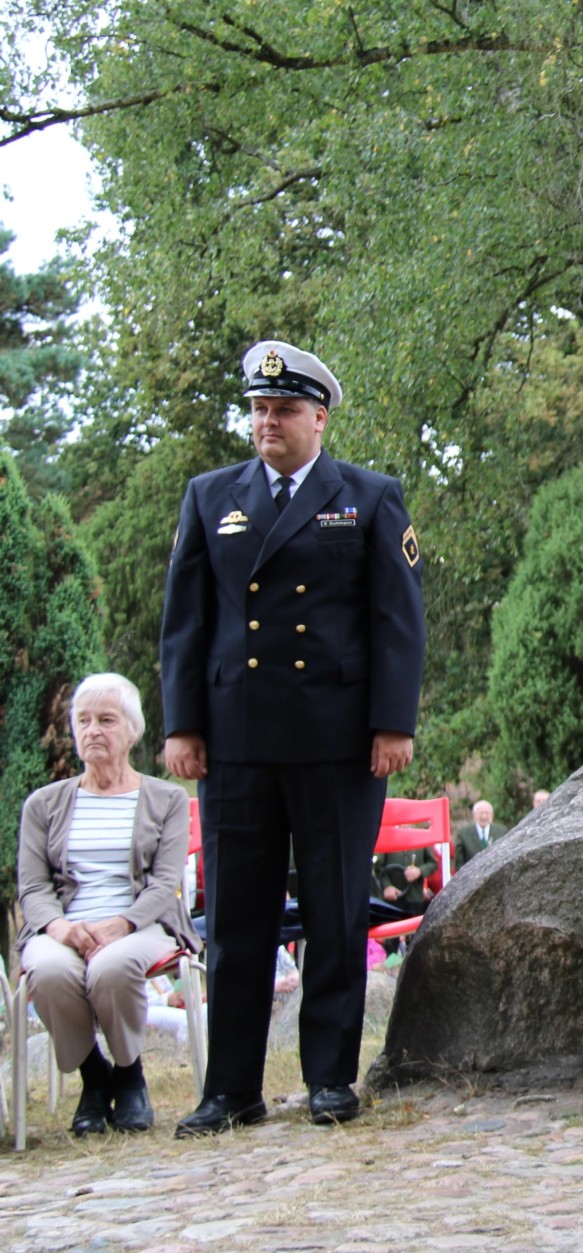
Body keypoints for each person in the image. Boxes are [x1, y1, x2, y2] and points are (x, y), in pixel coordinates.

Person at [160, 340, 425, 1134]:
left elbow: (396, 620)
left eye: (282, 411)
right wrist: (181, 726)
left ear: (319, 417)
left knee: (336, 911)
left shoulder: (370, 497)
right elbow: (184, 623)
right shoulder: (211, 497)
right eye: (258, 410)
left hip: (336, 739)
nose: (267, 422)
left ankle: (329, 1081)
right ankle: (230, 1087)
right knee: (237, 915)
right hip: (237, 736)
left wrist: (392, 722)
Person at [15, 673, 198, 1135]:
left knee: (111, 967)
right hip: (62, 927)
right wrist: (59, 929)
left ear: (131, 731)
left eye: (106, 719)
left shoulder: (167, 799)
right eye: (83, 720)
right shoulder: (43, 804)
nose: (92, 730)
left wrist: (122, 924)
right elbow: (33, 888)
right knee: (51, 970)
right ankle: (95, 1077)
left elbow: (163, 885)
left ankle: (130, 1071)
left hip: (141, 924)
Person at [373, 847, 439, 915]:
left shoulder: (422, 837)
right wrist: (387, 886)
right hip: (392, 900)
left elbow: (432, 863)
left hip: (415, 898)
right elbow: (378, 867)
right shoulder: (387, 837)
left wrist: (420, 871)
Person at [453, 800, 503, 870]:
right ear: (474, 815)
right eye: (481, 813)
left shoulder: (501, 831)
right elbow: (459, 864)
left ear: (492, 815)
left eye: (487, 813)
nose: (484, 816)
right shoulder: (463, 834)